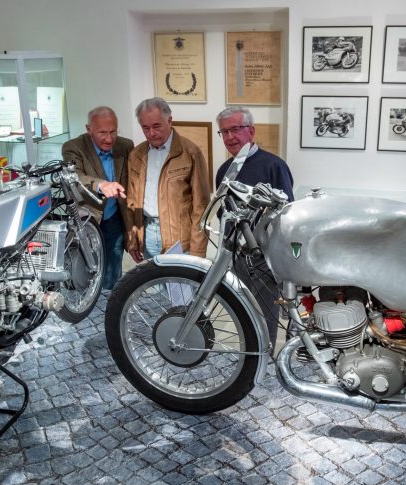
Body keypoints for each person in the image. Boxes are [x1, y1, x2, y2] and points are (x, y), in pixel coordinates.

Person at [214, 106, 294, 347]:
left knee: (265, 309)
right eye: (224, 132)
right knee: (243, 307)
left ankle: (264, 354)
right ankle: (249, 351)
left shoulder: (274, 165)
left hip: (265, 255)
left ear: (251, 130)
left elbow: (287, 212)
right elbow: (223, 211)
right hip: (238, 254)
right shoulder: (224, 171)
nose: (230, 137)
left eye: (235, 129)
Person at [124, 97, 211, 262]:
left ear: (169, 120)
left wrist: (198, 251)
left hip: (179, 239)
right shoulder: (136, 155)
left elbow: (202, 207)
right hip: (146, 233)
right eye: (145, 128)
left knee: (181, 287)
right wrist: (132, 239)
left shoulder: (190, 152)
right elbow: (131, 201)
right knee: (154, 284)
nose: (151, 133)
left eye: (156, 126)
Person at [61, 106, 134, 291]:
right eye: (102, 132)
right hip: (87, 219)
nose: (109, 139)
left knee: (112, 271)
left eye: (113, 132)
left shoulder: (126, 146)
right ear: (89, 129)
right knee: (84, 270)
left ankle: (110, 306)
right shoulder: (73, 147)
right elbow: (76, 178)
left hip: (114, 219)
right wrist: (101, 185)